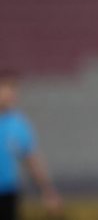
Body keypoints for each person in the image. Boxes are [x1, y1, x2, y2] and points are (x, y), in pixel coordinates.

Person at [0, 71, 62, 220]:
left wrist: (48, 192)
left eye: (13, 90)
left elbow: (31, 159)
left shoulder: (18, 123)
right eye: (5, 89)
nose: (10, 94)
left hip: (7, 192)